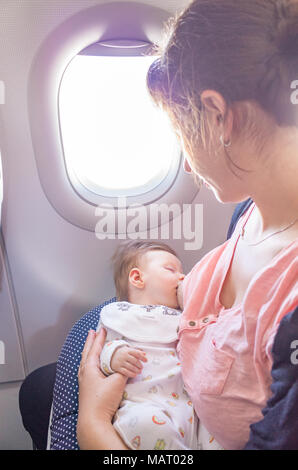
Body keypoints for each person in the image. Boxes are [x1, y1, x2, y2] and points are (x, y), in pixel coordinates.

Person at [77, 0, 298, 450]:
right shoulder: (250, 210)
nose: (185, 156)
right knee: (36, 387)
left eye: (179, 131)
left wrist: (95, 428)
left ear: (218, 114)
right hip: (178, 389)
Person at [96, 240, 199, 450]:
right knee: (146, 425)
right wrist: (115, 357)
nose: (183, 277)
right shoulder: (119, 315)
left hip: (193, 410)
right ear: (137, 278)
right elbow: (101, 351)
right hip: (144, 405)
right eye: (171, 269)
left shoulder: (183, 316)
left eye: (183, 272)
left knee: (220, 432)